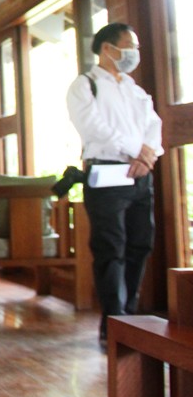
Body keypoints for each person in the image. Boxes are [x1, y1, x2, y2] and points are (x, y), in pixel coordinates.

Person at [65, 22, 162, 343]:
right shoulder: (85, 85)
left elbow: (154, 125)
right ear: (108, 48)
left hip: (141, 175)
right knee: (111, 248)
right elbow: (93, 127)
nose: (135, 53)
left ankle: (130, 316)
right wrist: (136, 150)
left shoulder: (135, 89)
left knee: (140, 244)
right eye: (130, 46)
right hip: (106, 175)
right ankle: (114, 322)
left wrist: (148, 156)